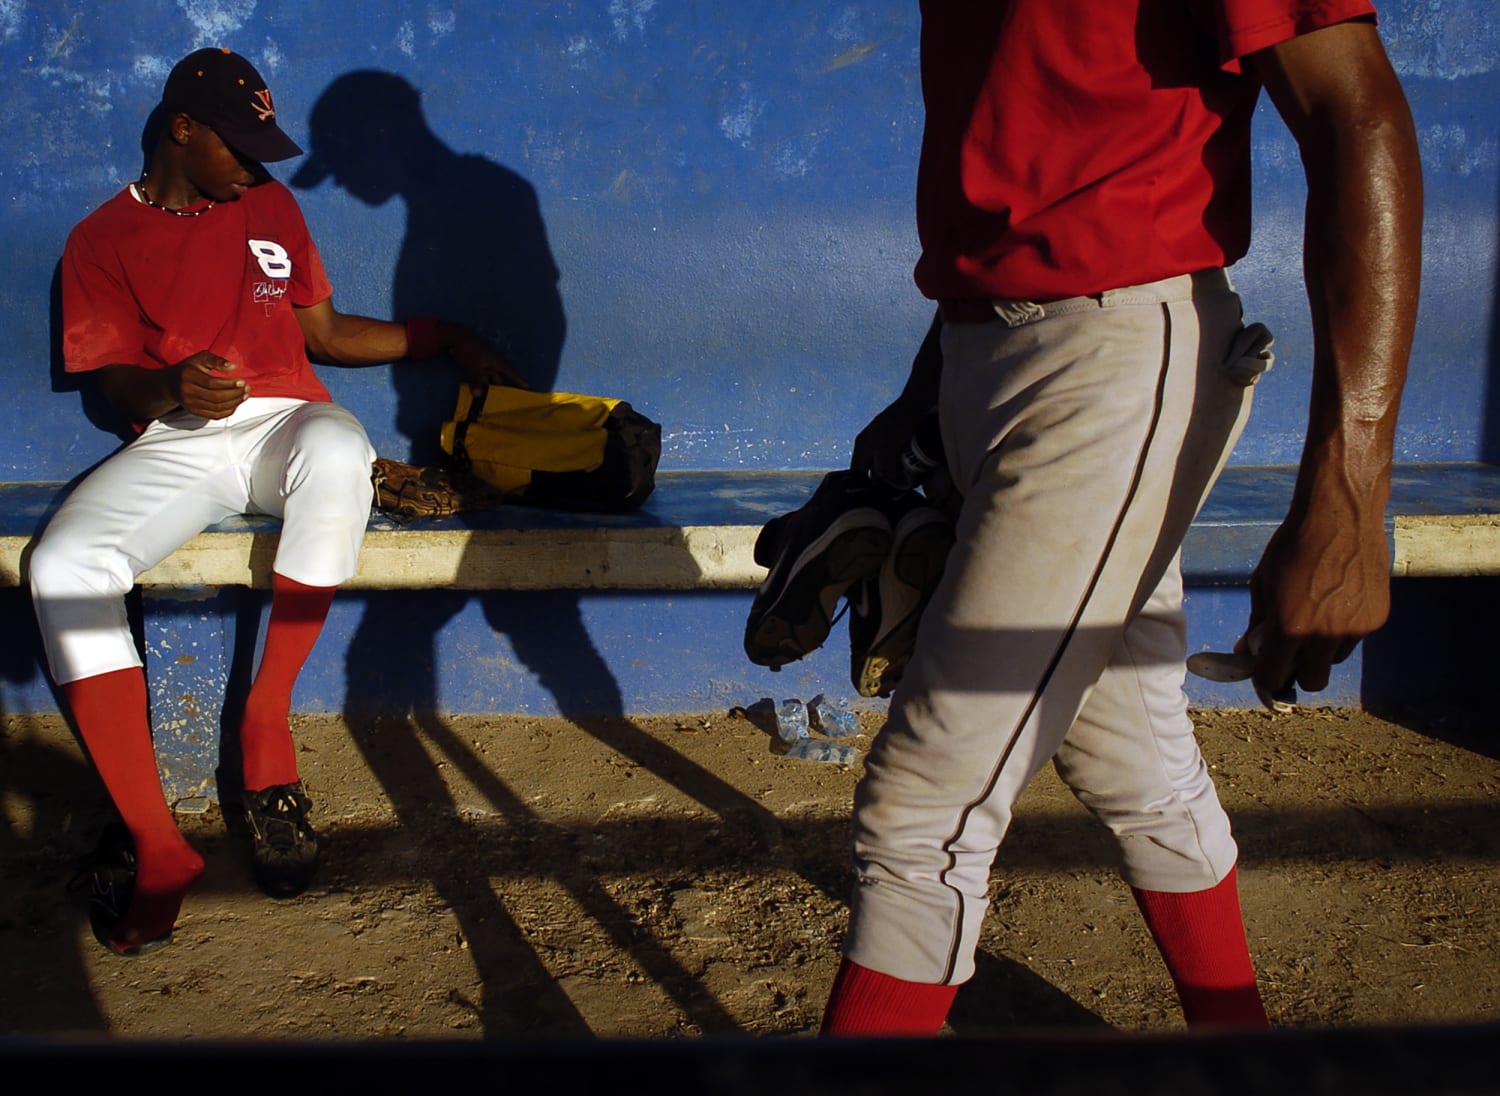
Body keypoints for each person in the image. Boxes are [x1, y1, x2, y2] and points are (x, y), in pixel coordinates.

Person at [817, 2, 1422, 1033]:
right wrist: (930, 390)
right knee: (1127, 748)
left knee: (924, 813)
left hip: (1114, 353)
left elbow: (1355, 109)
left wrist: (1351, 495)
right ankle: (1245, 1052)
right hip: (992, 349)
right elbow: (1023, 146)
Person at [30, 46, 522, 956]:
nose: (255, 167)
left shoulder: (272, 207)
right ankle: (155, 840)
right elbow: (113, 392)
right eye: (239, 147)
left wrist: (443, 335)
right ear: (183, 129)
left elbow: (327, 338)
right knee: (60, 566)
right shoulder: (99, 239)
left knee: (339, 445)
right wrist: (171, 385)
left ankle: (265, 734)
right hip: (178, 435)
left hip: (284, 426)